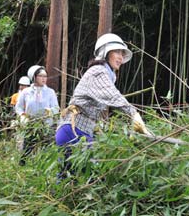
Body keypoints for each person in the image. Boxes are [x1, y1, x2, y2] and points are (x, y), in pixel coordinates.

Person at [55, 33, 152, 179]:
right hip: (73, 131)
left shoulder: (106, 74)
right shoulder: (98, 71)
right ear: (105, 52)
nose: (120, 57)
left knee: (69, 178)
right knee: (90, 175)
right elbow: (112, 96)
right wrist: (133, 114)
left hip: (80, 132)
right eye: (117, 52)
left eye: (122, 53)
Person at [15, 65, 59, 165]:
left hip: (46, 125)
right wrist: (23, 116)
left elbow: (56, 108)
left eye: (45, 76)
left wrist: (50, 111)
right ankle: (22, 168)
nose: (44, 79)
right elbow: (18, 107)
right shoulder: (26, 92)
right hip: (31, 124)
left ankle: (43, 167)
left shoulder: (50, 92)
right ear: (34, 77)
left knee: (46, 148)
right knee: (28, 148)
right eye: (41, 76)